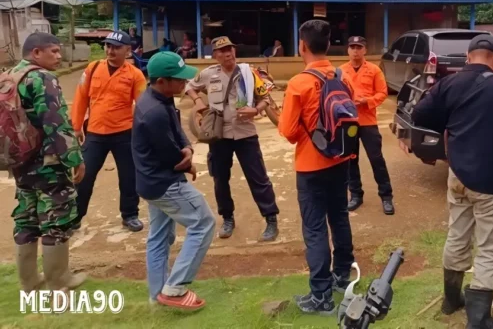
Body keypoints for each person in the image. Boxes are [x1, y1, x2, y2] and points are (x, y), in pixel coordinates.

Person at [412, 34, 493, 326]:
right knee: (490, 247)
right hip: (491, 180)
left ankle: (451, 300)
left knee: (457, 234)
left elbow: (419, 114)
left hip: (457, 176)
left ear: (468, 57)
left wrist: (451, 123)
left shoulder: (448, 83)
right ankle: (478, 319)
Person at [278, 20, 355, 314]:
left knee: (314, 228)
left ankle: (321, 296)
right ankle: (343, 275)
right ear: (329, 44)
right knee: (339, 217)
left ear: (302, 46)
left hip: (311, 165)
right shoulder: (343, 76)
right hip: (340, 159)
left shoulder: (299, 83)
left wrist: (306, 134)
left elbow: (287, 131)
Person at [132, 51, 215, 310]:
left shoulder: (158, 99)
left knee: (159, 238)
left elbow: (177, 132)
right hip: (164, 183)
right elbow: (172, 157)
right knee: (203, 223)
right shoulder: (153, 112)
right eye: (179, 79)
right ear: (161, 80)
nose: (184, 83)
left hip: (150, 182)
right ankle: (175, 288)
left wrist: (187, 148)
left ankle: (157, 295)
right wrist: (187, 160)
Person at [12, 33, 87, 292]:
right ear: (36, 53)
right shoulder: (42, 78)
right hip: (48, 163)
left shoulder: (10, 76)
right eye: (53, 51)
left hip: (20, 161)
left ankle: (29, 282)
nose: (59, 56)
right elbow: (56, 123)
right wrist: (75, 159)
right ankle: (59, 280)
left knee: (26, 218)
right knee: (56, 219)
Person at [185, 36, 280, 241]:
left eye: (230, 49)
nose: (228, 53)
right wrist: (198, 101)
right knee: (220, 180)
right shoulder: (209, 74)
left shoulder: (249, 72)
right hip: (219, 136)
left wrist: (255, 109)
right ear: (216, 55)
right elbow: (189, 86)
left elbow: (265, 98)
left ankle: (271, 219)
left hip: (246, 133)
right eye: (223, 50)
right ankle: (227, 218)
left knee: (259, 179)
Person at [71, 30, 147, 232]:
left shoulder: (135, 75)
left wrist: (144, 135)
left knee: (129, 176)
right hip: (95, 133)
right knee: (84, 175)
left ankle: (130, 215)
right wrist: (77, 126)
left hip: (124, 133)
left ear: (128, 50)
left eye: (116, 47)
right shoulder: (92, 68)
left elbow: (142, 107)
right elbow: (81, 98)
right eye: (108, 46)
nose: (110, 50)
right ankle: (75, 216)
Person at [339, 36, 394, 214]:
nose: (356, 50)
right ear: (348, 50)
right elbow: (335, 95)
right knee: (350, 160)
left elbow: (382, 93)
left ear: (365, 50)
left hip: (368, 122)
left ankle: (386, 197)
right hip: (348, 123)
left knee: (376, 159)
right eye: (352, 47)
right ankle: (355, 195)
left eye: (359, 47)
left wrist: (366, 101)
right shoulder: (340, 71)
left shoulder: (374, 70)